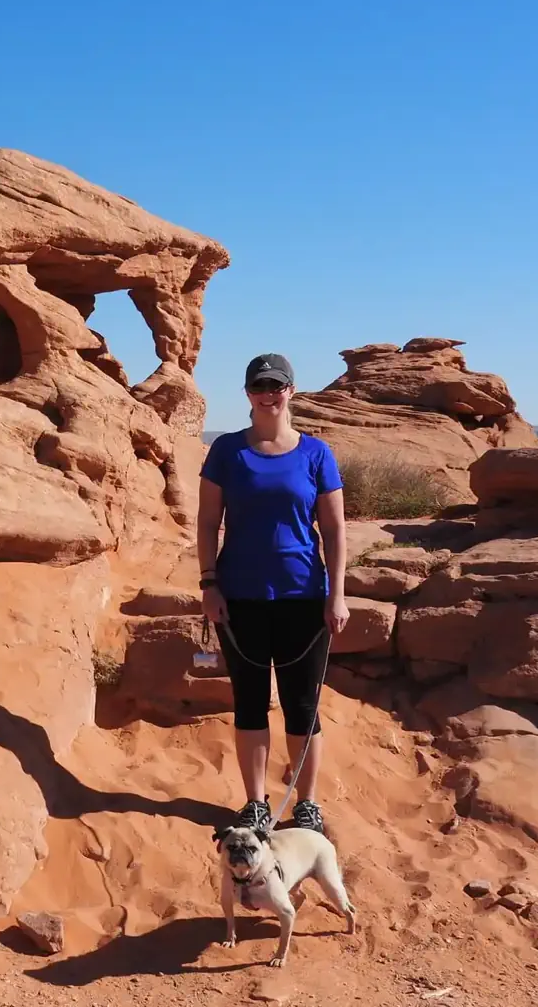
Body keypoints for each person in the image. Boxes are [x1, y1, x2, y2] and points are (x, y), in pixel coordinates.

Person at [198, 353, 348, 835]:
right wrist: (208, 583)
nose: (269, 393)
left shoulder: (316, 454)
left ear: (291, 390)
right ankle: (257, 802)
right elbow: (206, 523)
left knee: (302, 705)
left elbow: (334, 528)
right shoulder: (226, 451)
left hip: (304, 596)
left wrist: (337, 595)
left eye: (277, 385)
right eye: (260, 385)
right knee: (249, 702)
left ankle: (306, 804)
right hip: (239, 596)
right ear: (247, 393)